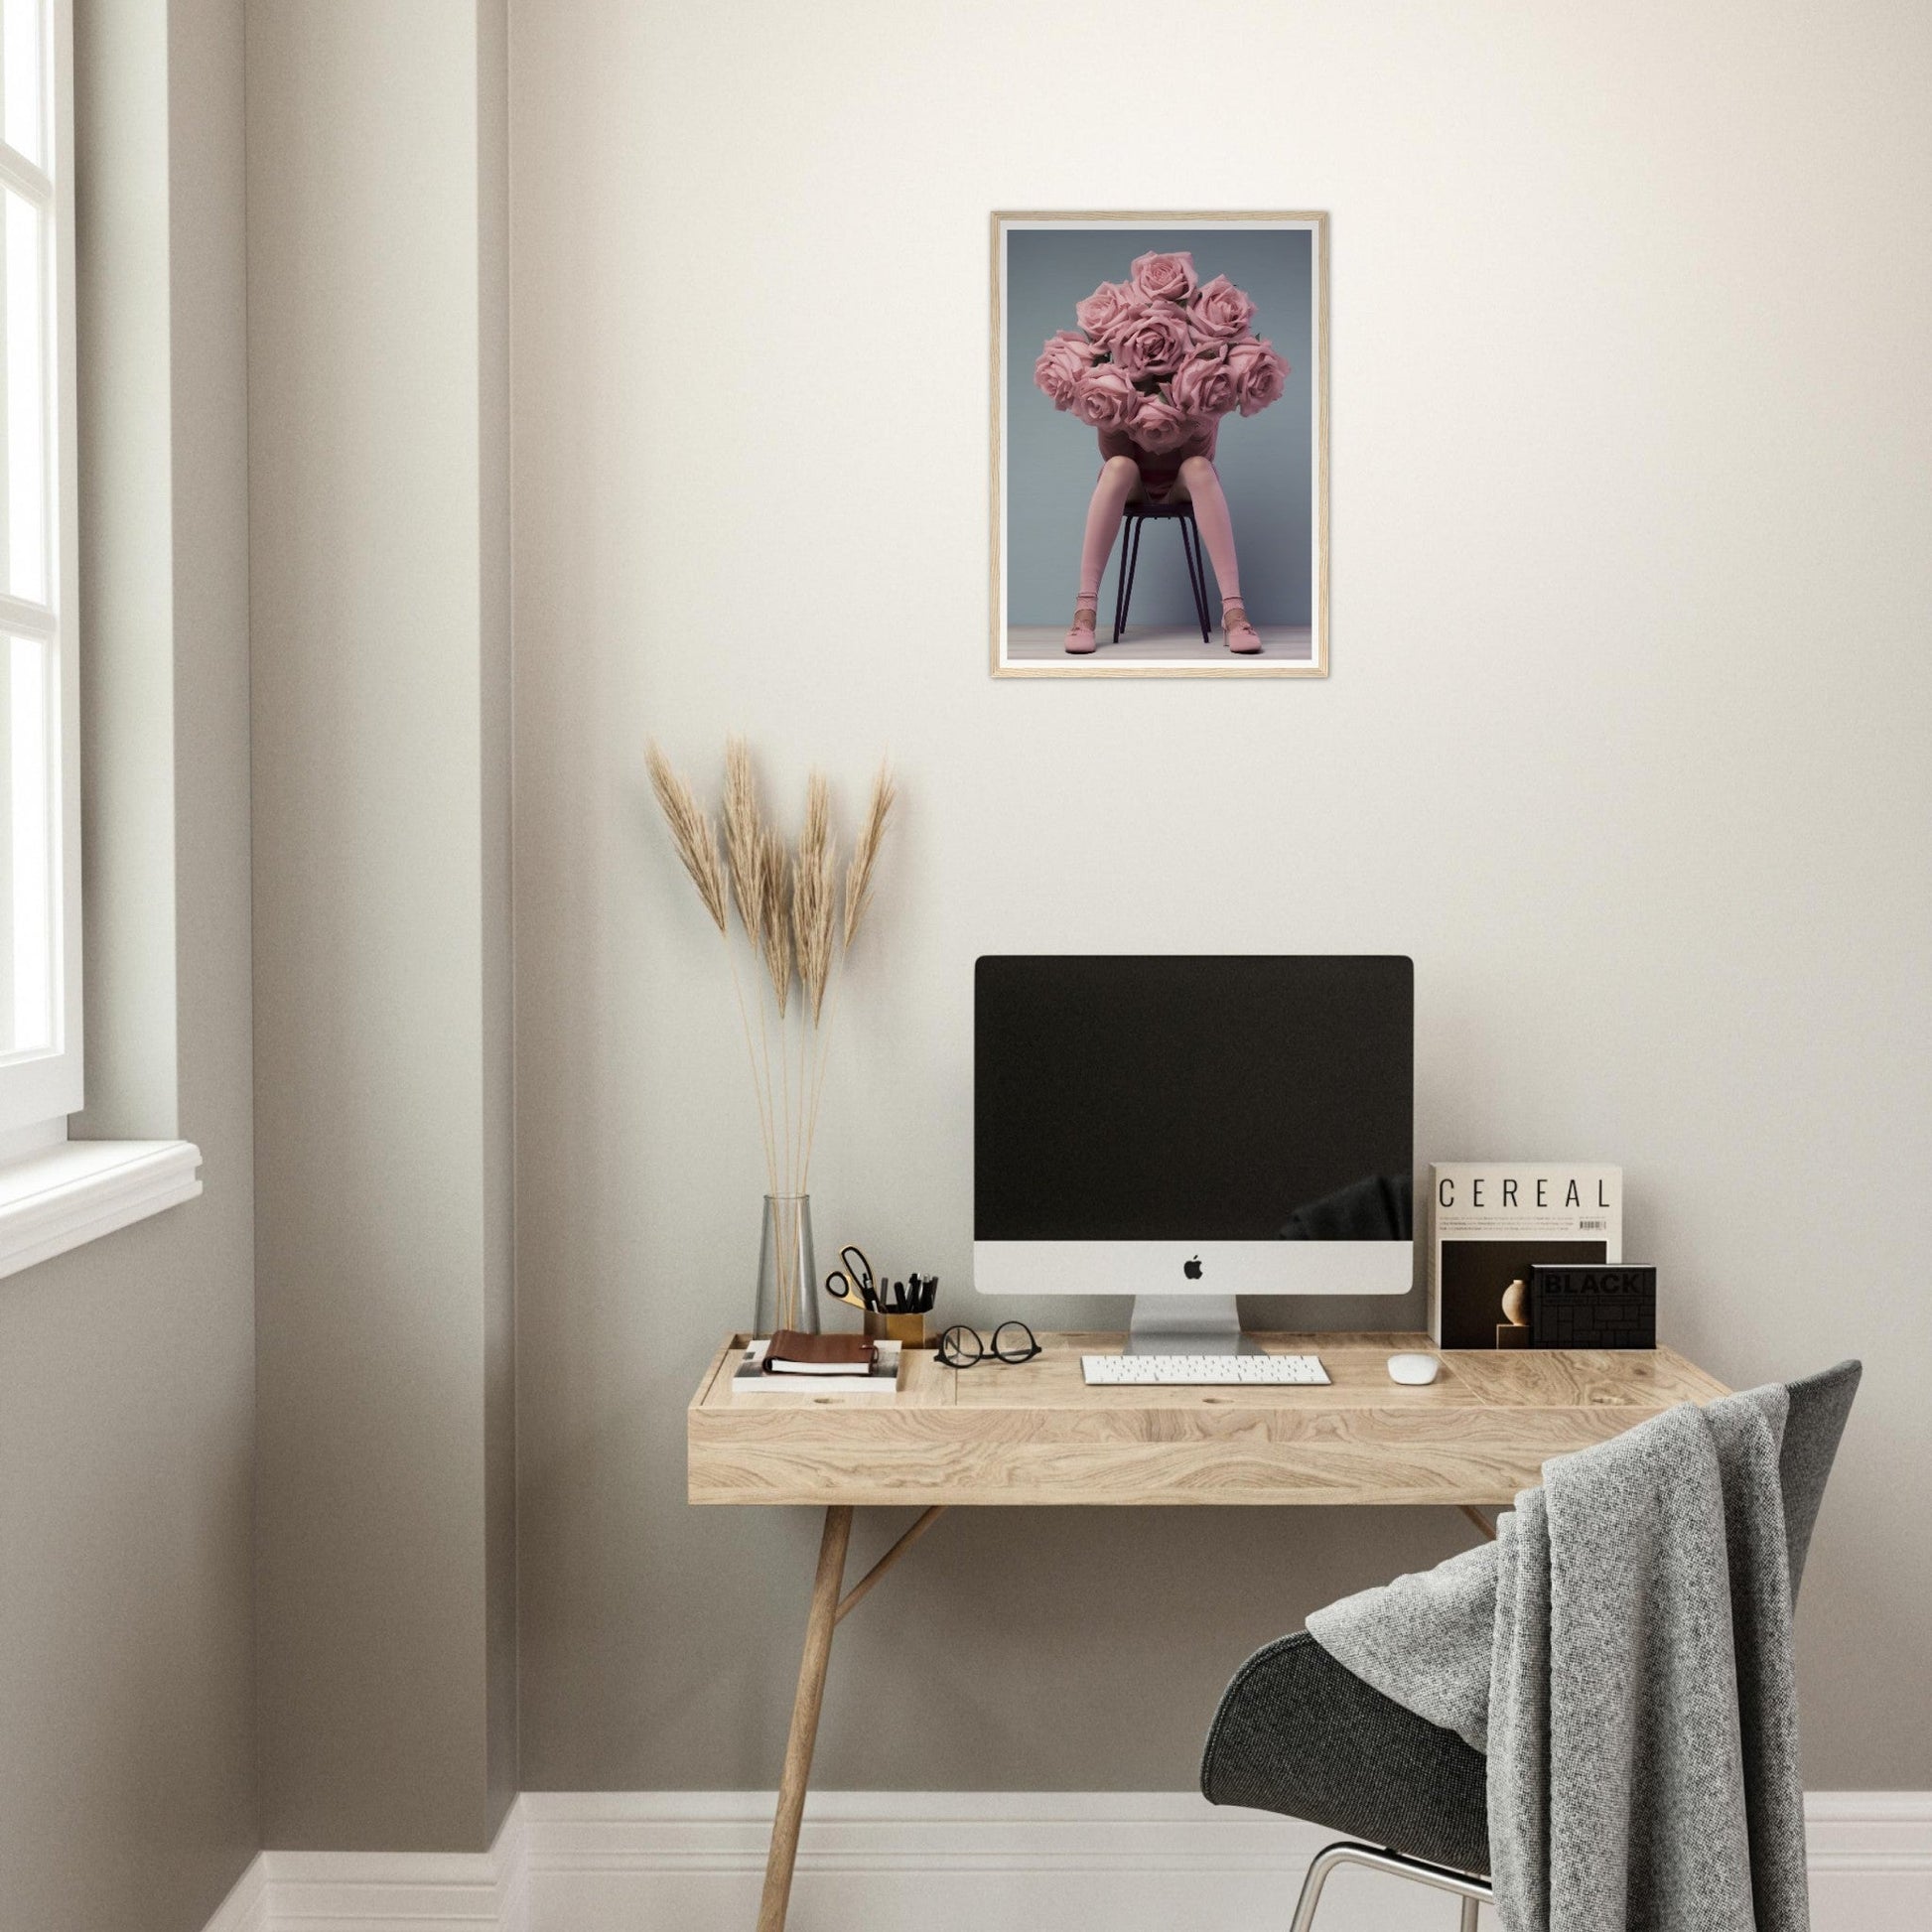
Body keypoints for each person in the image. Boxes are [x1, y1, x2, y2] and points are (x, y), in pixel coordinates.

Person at [1064, 413, 1259, 657]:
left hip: (1182, 483)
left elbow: (1199, 455)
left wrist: (1197, 416)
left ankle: (1233, 610)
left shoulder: (1199, 379)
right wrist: (1114, 414)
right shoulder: (1123, 378)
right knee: (1117, 466)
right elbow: (1114, 454)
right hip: (1133, 483)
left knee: (1200, 466)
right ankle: (1085, 609)